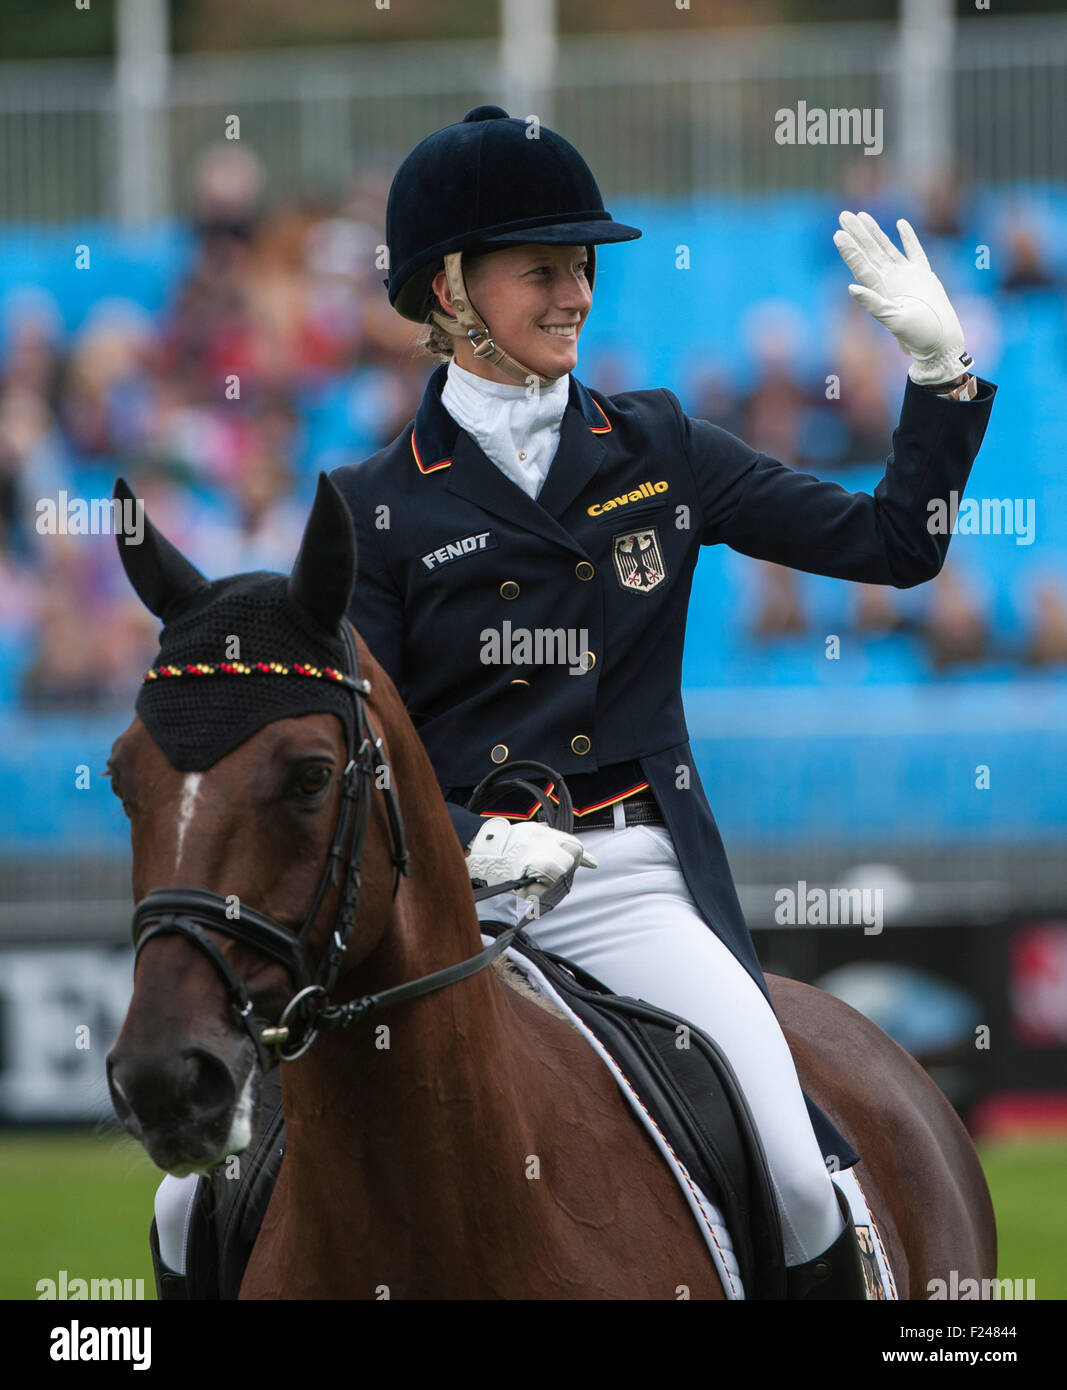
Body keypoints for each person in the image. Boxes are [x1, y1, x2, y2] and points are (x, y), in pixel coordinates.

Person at [152, 105, 995, 1300]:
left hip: (625, 886)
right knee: (185, 1204)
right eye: (541, 269)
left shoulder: (657, 445)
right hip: (434, 905)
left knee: (799, 1172)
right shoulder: (373, 502)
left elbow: (894, 545)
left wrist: (938, 377)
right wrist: (459, 843)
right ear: (449, 288)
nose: (576, 295)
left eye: (583, 267)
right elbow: (354, 747)